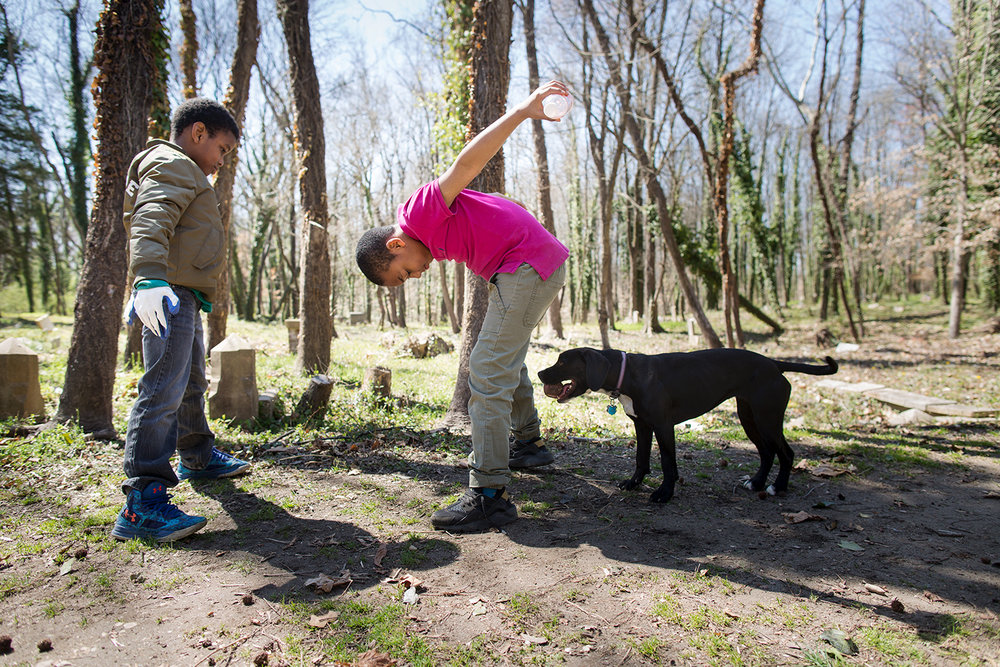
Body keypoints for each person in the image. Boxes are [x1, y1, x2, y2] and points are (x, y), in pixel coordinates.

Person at [355, 80, 571, 533]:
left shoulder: (418, 214)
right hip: (526, 266)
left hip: (528, 265)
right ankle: (528, 443)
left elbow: (467, 162)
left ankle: (489, 494)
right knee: (499, 360)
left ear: (395, 244)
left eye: (404, 272)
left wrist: (523, 110)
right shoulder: (428, 228)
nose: (415, 277)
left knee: (487, 369)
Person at [111, 98, 251, 543]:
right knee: (163, 389)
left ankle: (196, 455)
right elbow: (152, 217)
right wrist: (149, 278)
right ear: (198, 133)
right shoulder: (173, 164)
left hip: (182, 292)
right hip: (165, 293)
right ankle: (143, 503)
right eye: (222, 148)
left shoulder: (187, 170)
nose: (222, 160)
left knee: (190, 381)